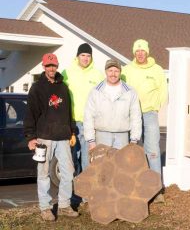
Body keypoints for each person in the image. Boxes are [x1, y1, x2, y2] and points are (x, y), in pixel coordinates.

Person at [24, 53, 78, 221]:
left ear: (57, 66)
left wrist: (72, 131)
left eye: (53, 65)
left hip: (63, 137)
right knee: (44, 173)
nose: (51, 68)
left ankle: (64, 205)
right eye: (48, 66)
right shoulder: (37, 87)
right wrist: (31, 137)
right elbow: (30, 113)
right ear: (43, 67)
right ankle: (45, 207)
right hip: (44, 138)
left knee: (68, 172)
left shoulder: (63, 87)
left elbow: (69, 111)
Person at [122, 39, 168, 202]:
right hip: (131, 115)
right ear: (134, 53)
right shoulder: (126, 70)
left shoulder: (157, 70)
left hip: (150, 114)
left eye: (142, 51)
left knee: (153, 151)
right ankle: (131, 187)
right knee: (131, 151)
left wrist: (156, 107)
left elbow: (163, 90)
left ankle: (156, 191)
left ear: (147, 52)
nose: (140, 53)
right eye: (137, 51)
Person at [62, 43, 104, 174]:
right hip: (72, 123)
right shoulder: (67, 73)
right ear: (77, 56)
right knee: (72, 158)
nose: (85, 58)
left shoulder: (98, 75)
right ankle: (74, 192)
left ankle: (86, 192)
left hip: (89, 124)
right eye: (83, 55)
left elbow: (103, 99)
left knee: (87, 160)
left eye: (88, 55)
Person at [84, 59, 142, 151]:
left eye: (116, 71)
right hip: (101, 135)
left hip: (122, 136)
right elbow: (88, 116)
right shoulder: (95, 91)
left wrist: (134, 140)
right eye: (110, 71)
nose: (113, 74)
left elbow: (136, 116)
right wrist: (91, 141)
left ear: (120, 72)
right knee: (102, 164)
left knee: (122, 165)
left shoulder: (130, 92)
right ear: (106, 72)